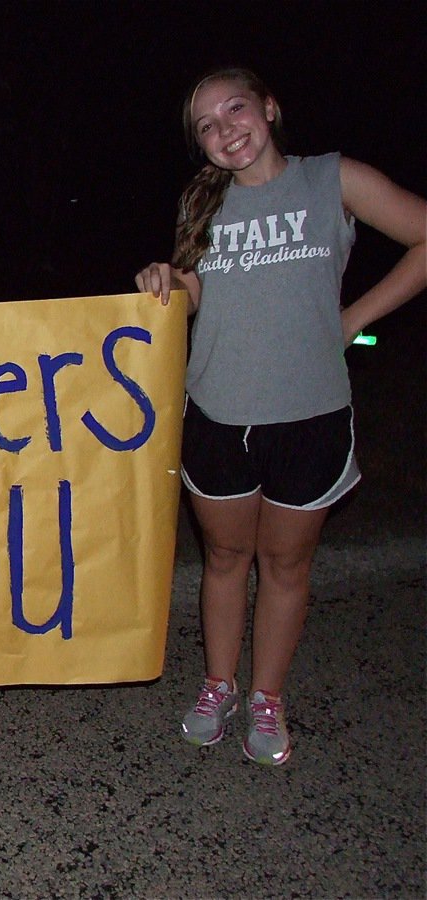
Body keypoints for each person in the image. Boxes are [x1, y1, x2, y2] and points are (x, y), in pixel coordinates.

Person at [135, 67, 426, 765]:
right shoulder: (202, 202)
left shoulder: (333, 179)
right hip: (218, 414)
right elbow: (196, 291)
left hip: (311, 414)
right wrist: (166, 282)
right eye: (205, 125)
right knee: (227, 558)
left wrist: (354, 318)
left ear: (269, 107)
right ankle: (218, 684)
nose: (223, 129)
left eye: (234, 109)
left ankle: (267, 697)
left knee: (286, 565)